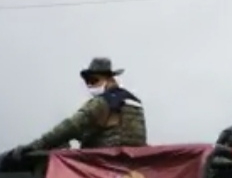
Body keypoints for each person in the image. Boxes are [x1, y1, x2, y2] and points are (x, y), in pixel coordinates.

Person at [11, 57, 146, 158]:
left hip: (105, 165)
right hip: (132, 168)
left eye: (94, 80)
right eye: (87, 82)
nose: (90, 85)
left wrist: (35, 146)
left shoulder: (103, 102)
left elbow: (71, 126)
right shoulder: (134, 102)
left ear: (110, 79)